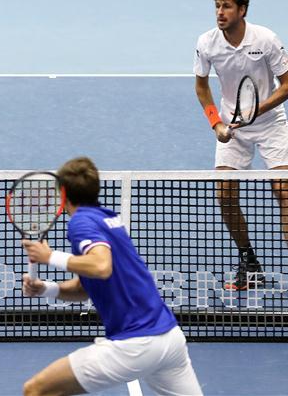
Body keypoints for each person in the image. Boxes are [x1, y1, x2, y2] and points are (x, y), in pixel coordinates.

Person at [21, 157, 202, 396]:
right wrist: (46, 288)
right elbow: (86, 287)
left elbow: (101, 266)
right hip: (170, 340)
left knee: (35, 390)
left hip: (135, 345)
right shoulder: (106, 219)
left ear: (62, 195)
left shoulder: (80, 223)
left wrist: (49, 256)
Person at [193, 0, 288, 300]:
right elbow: (201, 87)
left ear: (242, 10)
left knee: (281, 188)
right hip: (232, 124)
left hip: (270, 123)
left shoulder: (266, 39)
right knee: (224, 194)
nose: (220, 12)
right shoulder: (207, 43)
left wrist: (257, 110)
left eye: (226, 6)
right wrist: (216, 122)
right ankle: (250, 264)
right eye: (217, 6)